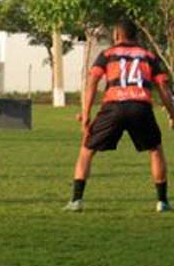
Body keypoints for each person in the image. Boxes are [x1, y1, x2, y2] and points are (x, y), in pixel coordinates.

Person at [65, 19, 174, 213]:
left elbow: (92, 81)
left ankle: (76, 200)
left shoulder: (107, 55)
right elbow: (163, 88)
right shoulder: (149, 56)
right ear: (136, 36)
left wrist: (86, 114)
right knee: (155, 150)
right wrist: (172, 114)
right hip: (141, 107)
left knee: (87, 150)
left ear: (116, 35)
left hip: (113, 106)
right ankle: (162, 202)